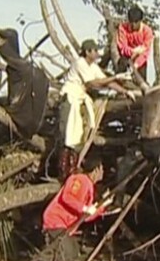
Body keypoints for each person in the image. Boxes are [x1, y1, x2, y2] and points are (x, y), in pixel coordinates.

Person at [58, 39, 135, 180]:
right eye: (94, 51)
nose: (97, 53)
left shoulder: (92, 66)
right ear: (87, 52)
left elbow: (107, 81)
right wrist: (116, 76)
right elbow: (93, 83)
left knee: (77, 137)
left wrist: (125, 91)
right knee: (68, 137)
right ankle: (64, 173)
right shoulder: (80, 63)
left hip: (79, 100)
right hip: (70, 99)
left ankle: (73, 169)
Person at [41, 155, 115, 261]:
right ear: (96, 169)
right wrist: (84, 208)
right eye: (102, 169)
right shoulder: (80, 180)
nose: (103, 172)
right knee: (67, 250)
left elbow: (86, 216)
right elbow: (67, 197)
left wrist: (101, 207)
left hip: (66, 225)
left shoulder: (90, 188)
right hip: (56, 220)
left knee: (74, 251)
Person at [116, 6, 154, 81]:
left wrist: (136, 65)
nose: (133, 25)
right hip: (126, 56)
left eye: (136, 22)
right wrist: (134, 51)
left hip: (140, 59)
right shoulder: (122, 28)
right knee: (122, 63)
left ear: (141, 21)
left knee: (142, 77)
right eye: (131, 22)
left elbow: (145, 52)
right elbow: (123, 47)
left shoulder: (147, 31)